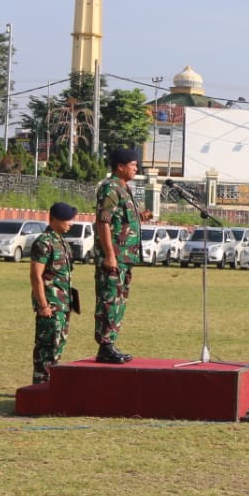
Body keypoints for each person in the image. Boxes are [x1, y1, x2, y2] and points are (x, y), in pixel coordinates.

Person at [94, 147, 153, 363]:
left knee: (119, 299)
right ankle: (105, 346)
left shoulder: (124, 188)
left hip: (126, 257)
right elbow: (103, 222)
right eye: (133, 164)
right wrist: (109, 255)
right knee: (109, 298)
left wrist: (141, 217)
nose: (136, 167)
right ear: (120, 167)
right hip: (114, 257)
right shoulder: (110, 188)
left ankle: (110, 343)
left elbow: (121, 220)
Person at [31, 202, 78, 383]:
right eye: (67, 219)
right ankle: (40, 388)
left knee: (58, 346)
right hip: (50, 304)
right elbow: (36, 275)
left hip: (63, 304)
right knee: (46, 348)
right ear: (55, 220)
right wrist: (43, 305)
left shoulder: (61, 241)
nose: (71, 223)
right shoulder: (44, 242)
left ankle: (51, 385)